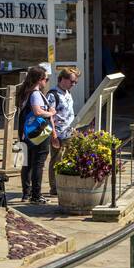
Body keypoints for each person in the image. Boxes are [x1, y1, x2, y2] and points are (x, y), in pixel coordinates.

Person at [15, 65, 56, 204]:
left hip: (26, 134)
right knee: (38, 164)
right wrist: (50, 113)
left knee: (26, 164)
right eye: (46, 78)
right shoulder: (36, 94)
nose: (47, 81)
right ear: (39, 80)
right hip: (39, 134)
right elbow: (38, 111)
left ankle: (26, 193)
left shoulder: (24, 92)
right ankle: (36, 195)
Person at [46, 67, 80, 197]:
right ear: (63, 79)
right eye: (72, 81)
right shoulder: (53, 94)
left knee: (68, 160)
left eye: (75, 82)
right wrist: (53, 135)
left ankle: (65, 184)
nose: (74, 84)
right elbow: (49, 116)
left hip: (69, 132)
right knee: (56, 160)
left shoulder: (67, 93)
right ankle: (54, 187)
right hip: (59, 134)